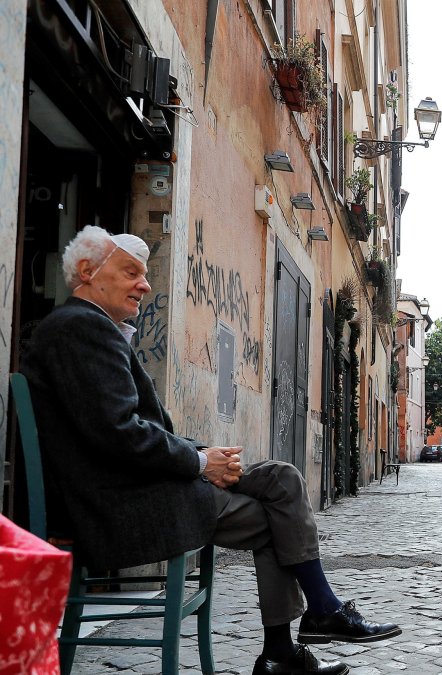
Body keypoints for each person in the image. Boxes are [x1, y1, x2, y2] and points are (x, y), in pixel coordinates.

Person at [21, 226, 401, 675]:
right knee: (274, 515)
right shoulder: (83, 329)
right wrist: (202, 463)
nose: (145, 285)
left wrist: (203, 456)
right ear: (86, 271)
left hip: (132, 487)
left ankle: (303, 632)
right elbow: (120, 433)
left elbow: (125, 428)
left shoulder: (84, 328)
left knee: (281, 479)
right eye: (131, 273)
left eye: (145, 275)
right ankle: (300, 634)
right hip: (119, 506)